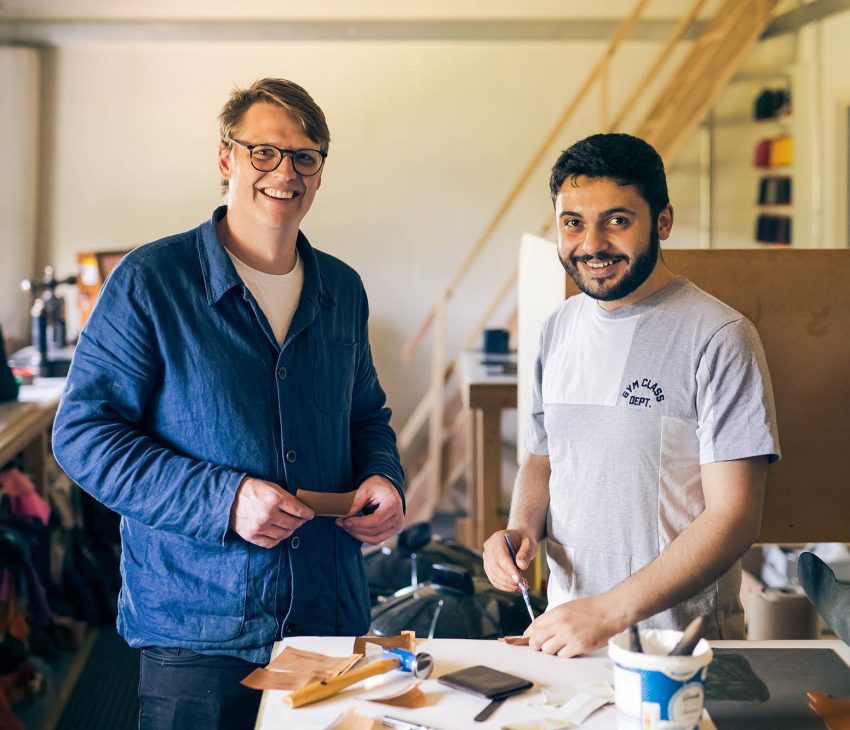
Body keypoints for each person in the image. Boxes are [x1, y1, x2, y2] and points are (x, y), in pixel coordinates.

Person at [52, 78, 405, 729]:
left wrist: (384, 477)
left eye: (305, 156)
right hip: (200, 628)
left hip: (329, 618)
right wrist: (225, 498)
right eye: (264, 152)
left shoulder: (342, 290)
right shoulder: (151, 282)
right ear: (226, 160)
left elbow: (366, 418)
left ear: (320, 171)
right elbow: (84, 435)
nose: (286, 172)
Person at [483, 133, 780, 657]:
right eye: (573, 222)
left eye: (617, 221)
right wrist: (519, 528)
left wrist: (609, 610)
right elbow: (544, 456)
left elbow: (735, 516)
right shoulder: (558, 328)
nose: (592, 244)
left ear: (662, 222)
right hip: (567, 639)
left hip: (681, 649)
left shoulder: (718, 336)